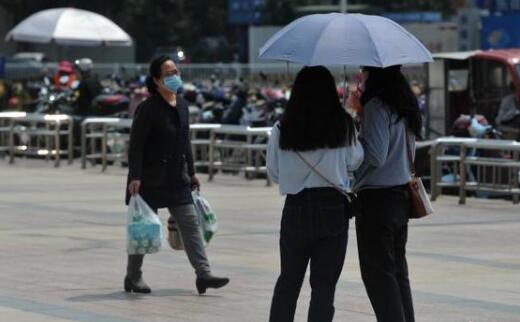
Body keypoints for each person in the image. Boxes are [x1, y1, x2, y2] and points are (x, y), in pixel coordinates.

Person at [125, 55, 229, 294]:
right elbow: (136, 145)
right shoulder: (148, 108)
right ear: (157, 80)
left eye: (176, 71)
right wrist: (135, 177)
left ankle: (203, 274)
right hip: (150, 178)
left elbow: (185, 141)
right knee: (144, 229)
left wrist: (192, 172)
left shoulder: (182, 105)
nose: (174, 76)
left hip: (177, 178)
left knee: (191, 226)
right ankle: (133, 276)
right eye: (168, 73)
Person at [267, 66, 364, 322]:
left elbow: (274, 172)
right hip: (332, 208)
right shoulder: (343, 124)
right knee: (324, 287)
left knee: (288, 282)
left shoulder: (282, 127)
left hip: (296, 207)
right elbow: (355, 161)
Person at [353, 65, 422, 322]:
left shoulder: (377, 106)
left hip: (377, 200)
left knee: (378, 274)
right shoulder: (405, 106)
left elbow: (376, 155)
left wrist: (355, 139)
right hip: (400, 197)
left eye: (366, 72)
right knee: (397, 272)